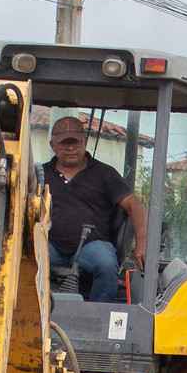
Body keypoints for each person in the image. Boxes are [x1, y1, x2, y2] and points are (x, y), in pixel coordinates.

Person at [40, 114, 146, 302]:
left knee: (105, 263)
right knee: (22, 259)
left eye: (76, 143)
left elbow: (133, 205)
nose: (71, 148)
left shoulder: (104, 174)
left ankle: (98, 319)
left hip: (91, 246)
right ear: (52, 145)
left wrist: (142, 244)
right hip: (49, 245)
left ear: (85, 141)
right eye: (65, 143)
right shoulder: (40, 175)